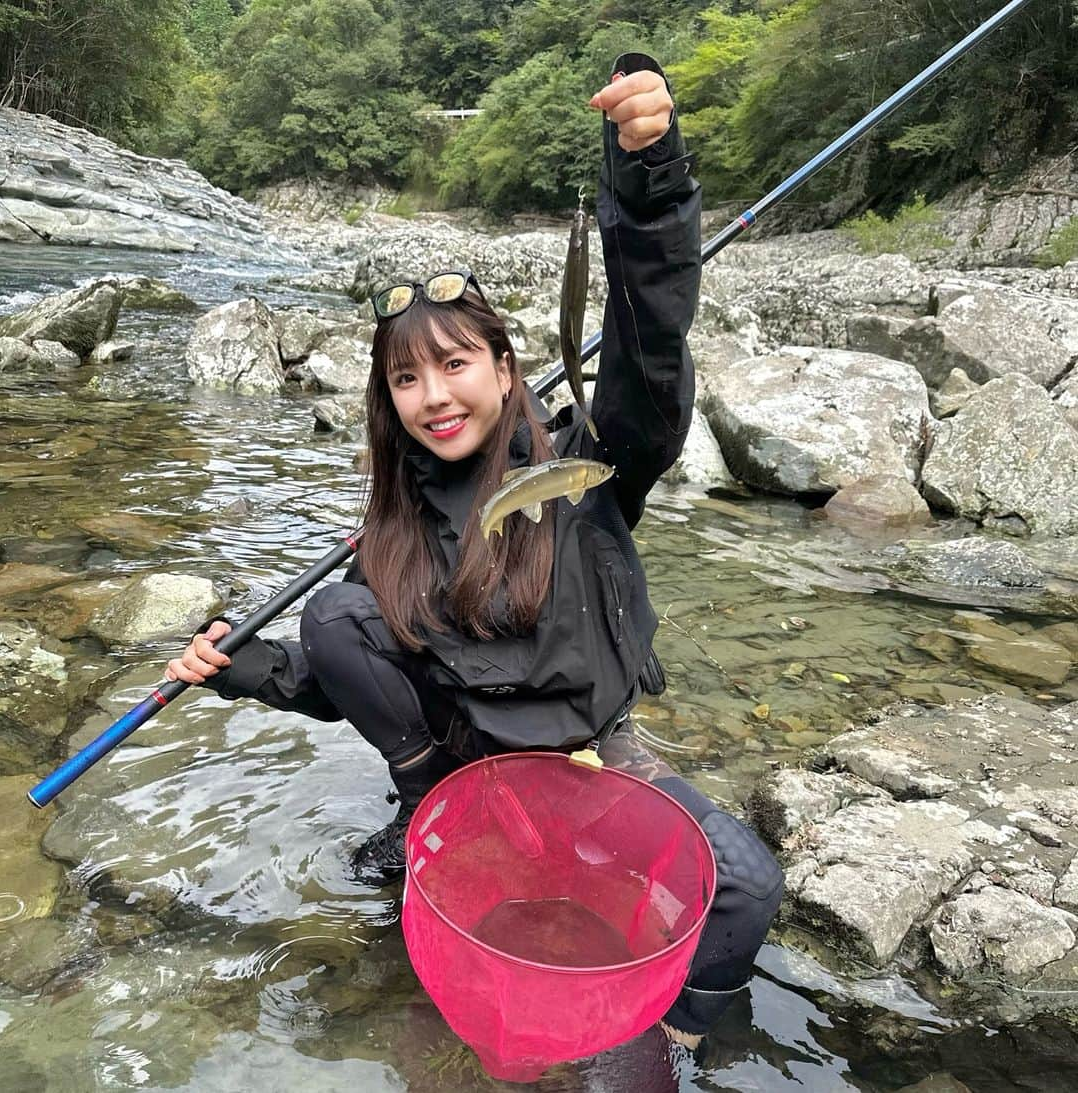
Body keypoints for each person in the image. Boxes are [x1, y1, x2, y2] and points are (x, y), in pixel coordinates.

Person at [166, 52, 783, 1039]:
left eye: (455, 364)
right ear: (388, 400)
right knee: (334, 612)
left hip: (593, 756)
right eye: (407, 380)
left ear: (505, 367)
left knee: (747, 886)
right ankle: (428, 811)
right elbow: (343, 674)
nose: (434, 396)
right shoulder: (392, 525)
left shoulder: (593, 460)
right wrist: (232, 666)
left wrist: (649, 174)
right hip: (468, 758)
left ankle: (681, 1029)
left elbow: (649, 346)